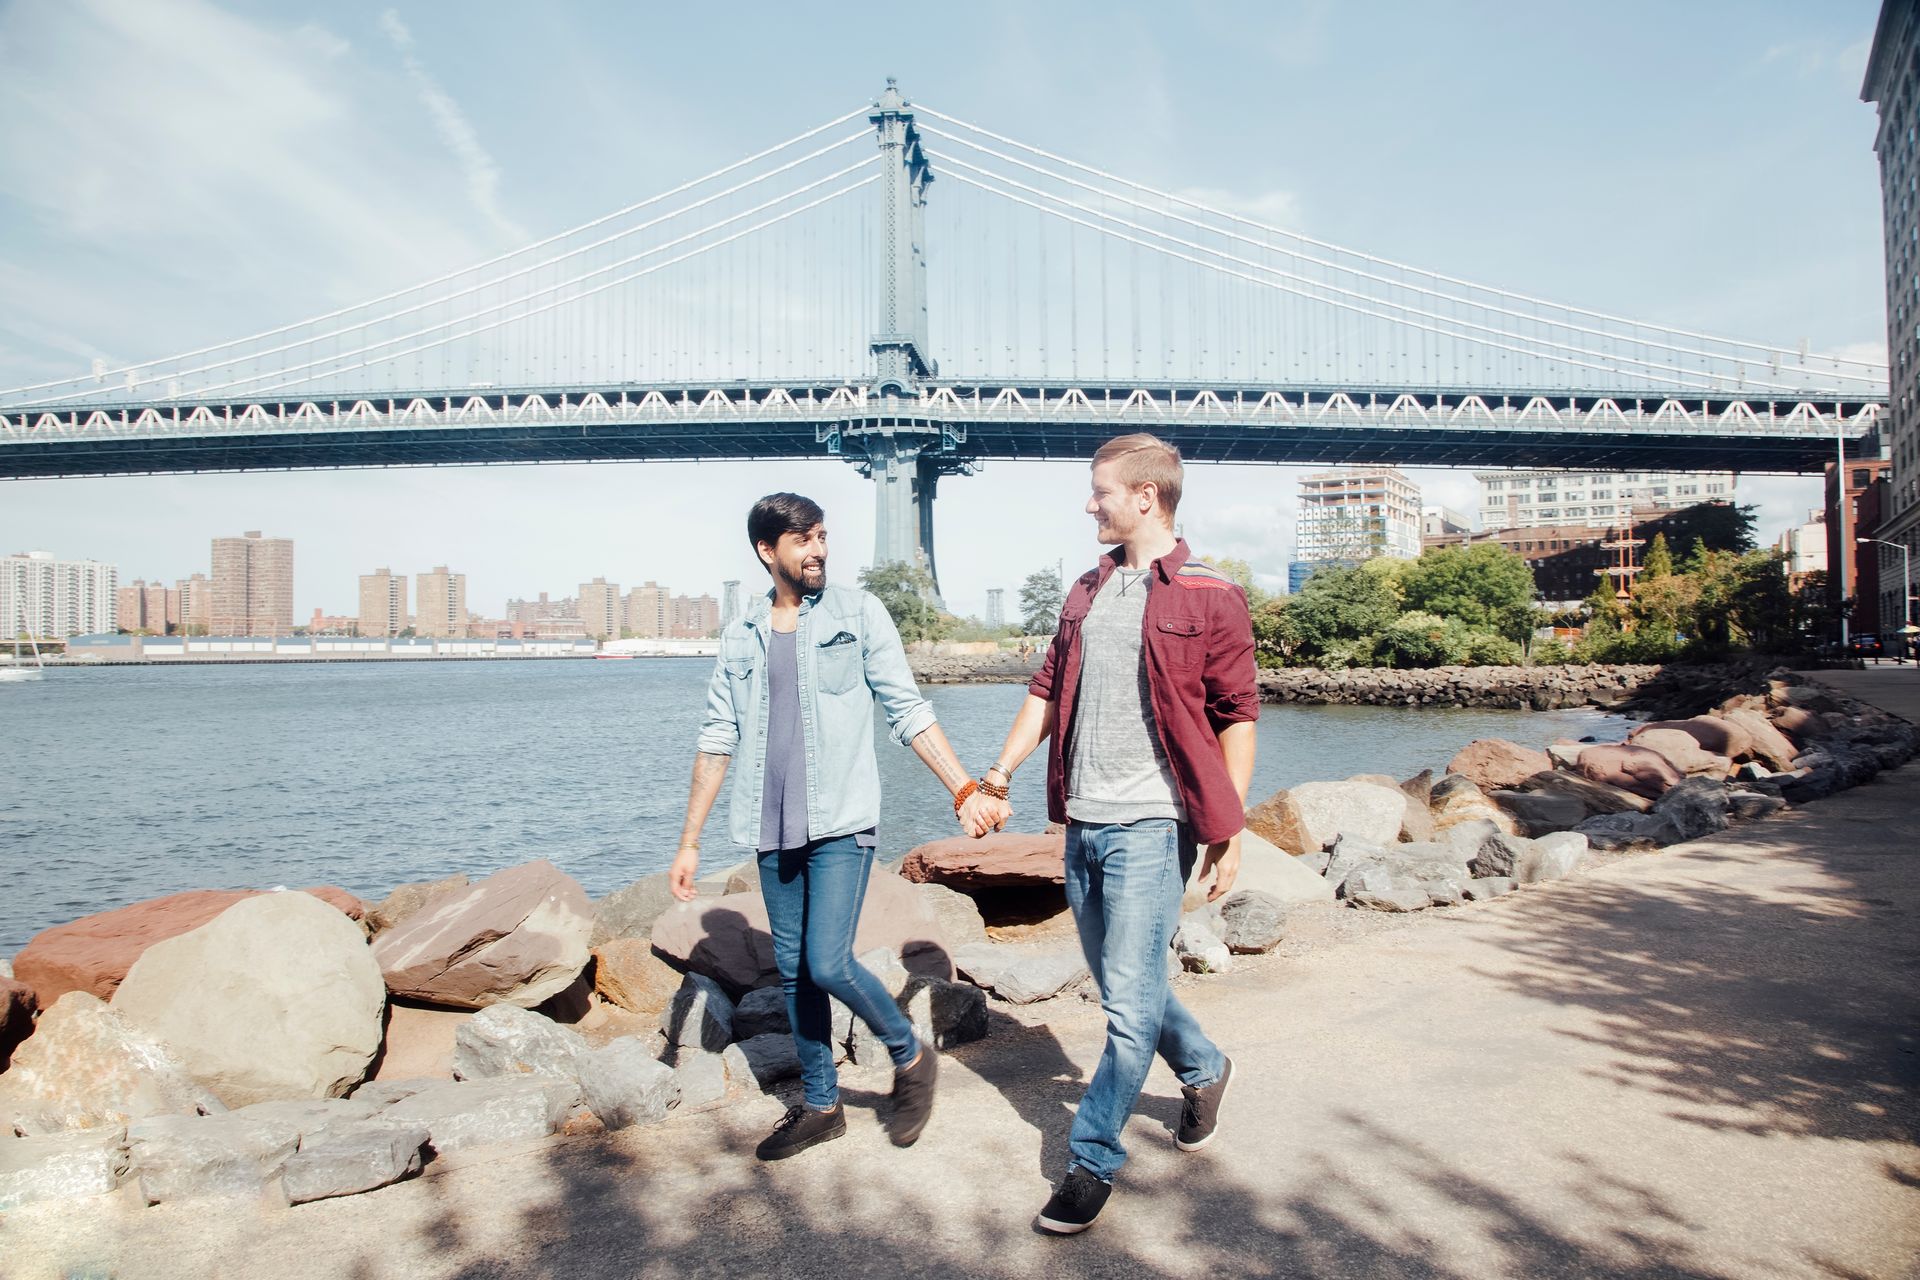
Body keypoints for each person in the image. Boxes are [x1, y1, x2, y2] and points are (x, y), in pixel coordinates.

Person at [963, 434, 1259, 1234]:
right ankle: (1203, 1066)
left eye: (1099, 492)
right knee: (1128, 986)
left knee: (1125, 1008)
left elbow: (1238, 716)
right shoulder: (1088, 590)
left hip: (1153, 826)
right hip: (1083, 819)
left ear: (1145, 498)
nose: (1088, 505)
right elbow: (1046, 690)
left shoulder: (1211, 595)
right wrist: (998, 775)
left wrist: (1229, 826)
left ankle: (1091, 1158)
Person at [669, 493, 982, 1160]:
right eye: (804, 539)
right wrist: (690, 840)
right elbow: (717, 738)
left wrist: (962, 786)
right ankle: (821, 1105)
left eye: (822, 535)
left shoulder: (856, 614)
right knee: (793, 973)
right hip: (769, 826)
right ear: (767, 551)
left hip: (840, 819)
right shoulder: (740, 634)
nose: (819, 549)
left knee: (826, 960)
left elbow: (906, 707)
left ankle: (908, 1054)